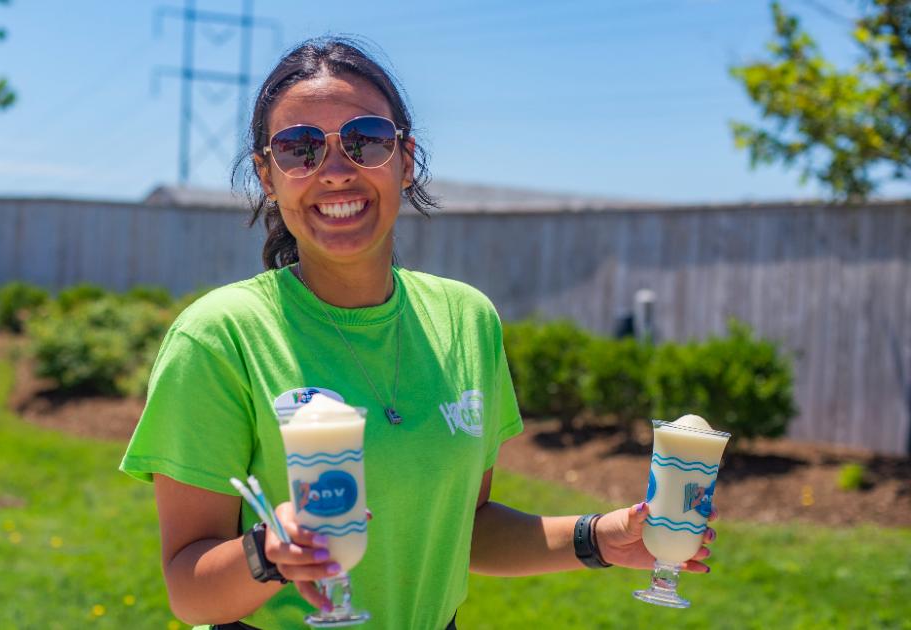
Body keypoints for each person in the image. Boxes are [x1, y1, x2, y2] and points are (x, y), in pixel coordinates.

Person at [120, 37, 716, 630]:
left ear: (405, 161)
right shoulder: (218, 337)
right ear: (267, 176)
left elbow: (466, 527)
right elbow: (189, 591)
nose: (334, 172)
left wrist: (601, 538)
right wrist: (267, 553)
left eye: (366, 141)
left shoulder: (466, 320)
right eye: (299, 148)